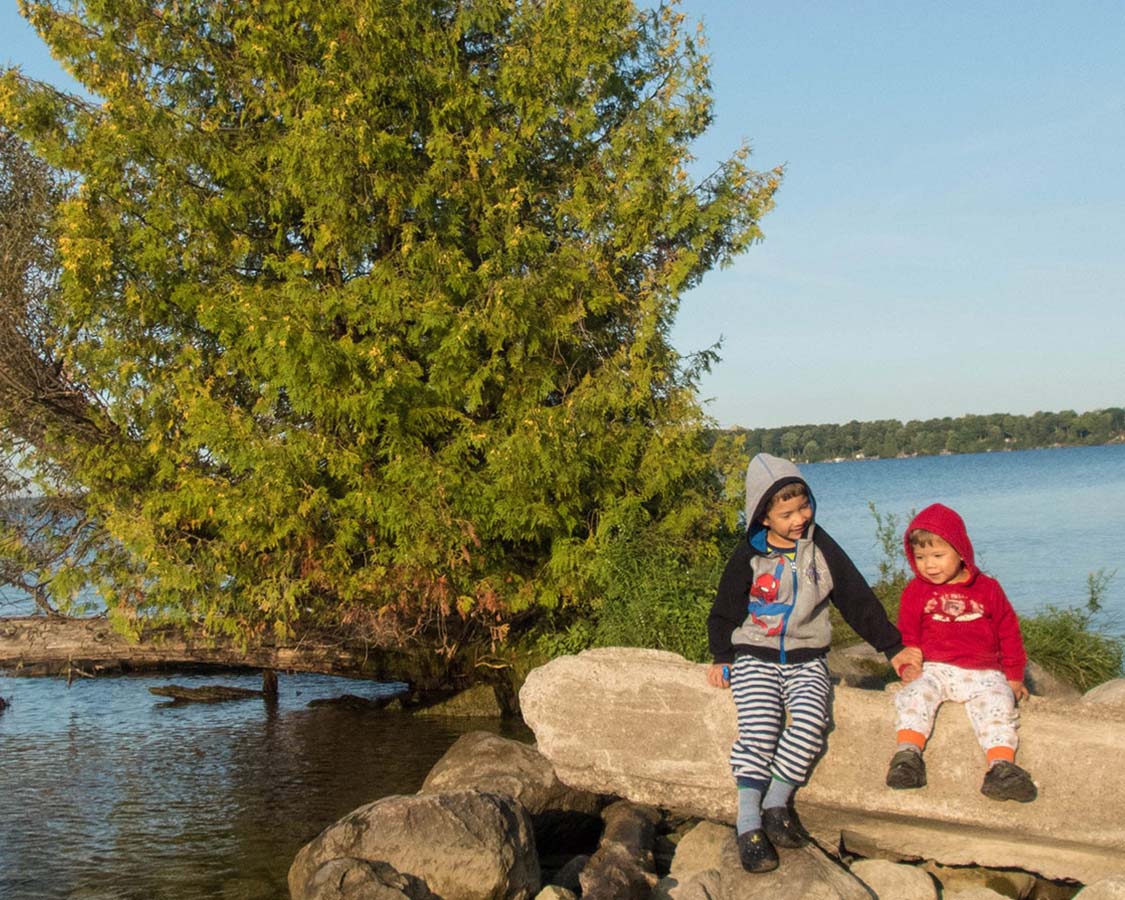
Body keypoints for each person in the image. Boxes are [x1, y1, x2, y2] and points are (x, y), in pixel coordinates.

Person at [707, 452, 920, 874]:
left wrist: (891, 647)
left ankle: (775, 805)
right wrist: (721, 656)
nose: (799, 518)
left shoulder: (820, 548)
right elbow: (725, 608)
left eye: (803, 506)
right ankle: (748, 824)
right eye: (786, 513)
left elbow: (856, 598)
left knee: (810, 722)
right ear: (763, 516)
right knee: (760, 728)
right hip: (755, 656)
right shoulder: (748, 555)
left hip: (808, 659)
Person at [885, 503, 1036, 803]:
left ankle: (1001, 766)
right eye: (920, 557)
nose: (929, 565)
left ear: (961, 551)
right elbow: (908, 637)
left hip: (984, 672)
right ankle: (907, 756)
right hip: (936, 668)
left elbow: (1009, 633)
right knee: (915, 697)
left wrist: (1015, 678)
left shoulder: (988, 589)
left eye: (938, 556)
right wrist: (908, 669)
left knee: (998, 706)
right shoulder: (916, 591)